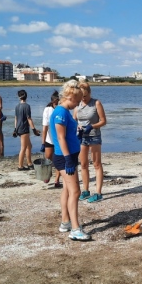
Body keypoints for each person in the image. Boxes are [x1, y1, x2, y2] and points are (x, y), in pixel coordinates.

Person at [50, 80, 90, 241]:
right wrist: (68, 160)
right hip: (63, 158)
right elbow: (60, 137)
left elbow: (67, 134)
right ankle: (75, 228)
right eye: (78, 100)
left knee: (67, 189)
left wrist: (78, 133)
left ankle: (65, 222)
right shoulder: (60, 112)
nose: (78, 104)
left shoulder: (65, 112)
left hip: (70, 155)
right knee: (76, 191)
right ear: (70, 97)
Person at [74, 81, 107, 203]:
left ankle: (98, 193)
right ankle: (86, 190)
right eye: (82, 96)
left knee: (97, 164)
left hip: (94, 137)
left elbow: (103, 121)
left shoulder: (96, 103)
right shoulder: (78, 105)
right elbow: (74, 120)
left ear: (89, 92)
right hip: (82, 137)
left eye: (86, 96)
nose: (84, 98)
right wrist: (76, 127)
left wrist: (92, 126)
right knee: (83, 164)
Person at [14, 89, 41, 171]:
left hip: (18, 128)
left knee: (29, 146)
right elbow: (29, 119)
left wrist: (15, 129)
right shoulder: (27, 106)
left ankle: (29, 163)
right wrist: (34, 129)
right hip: (24, 129)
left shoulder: (17, 106)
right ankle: (20, 166)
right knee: (23, 147)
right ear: (26, 96)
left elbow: (16, 118)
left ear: (19, 97)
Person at [42, 91, 63, 187]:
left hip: (59, 138)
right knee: (48, 157)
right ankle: (47, 175)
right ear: (54, 101)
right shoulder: (47, 110)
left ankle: (57, 180)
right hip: (49, 139)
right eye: (58, 101)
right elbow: (45, 127)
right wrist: (43, 143)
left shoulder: (61, 109)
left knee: (58, 159)